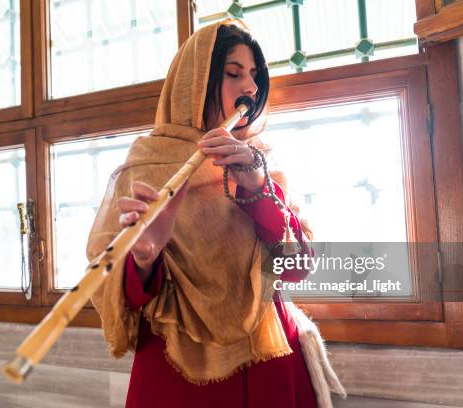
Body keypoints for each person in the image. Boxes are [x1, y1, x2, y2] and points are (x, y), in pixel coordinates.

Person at [87, 19, 344, 408]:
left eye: (255, 76)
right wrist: (144, 258)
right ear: (196, 82)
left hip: (271, 363)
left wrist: (257, 187)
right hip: (181, 378)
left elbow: (298, 266)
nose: (251, 88)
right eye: (233, 73)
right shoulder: (147, 166)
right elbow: (121, 300)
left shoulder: (258, 161)